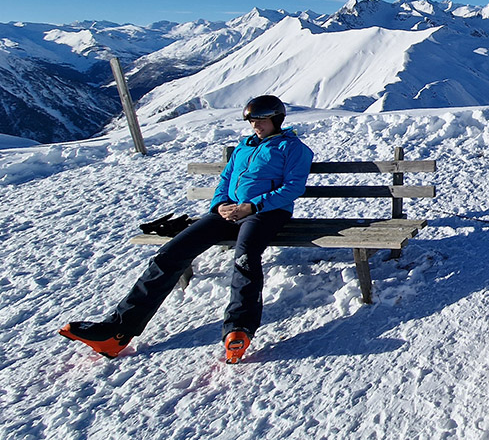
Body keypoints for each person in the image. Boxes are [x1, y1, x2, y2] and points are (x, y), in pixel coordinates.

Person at [59, 95, 314, 364]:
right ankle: (117, 331)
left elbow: (293, 187)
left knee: (245, 258)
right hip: (228, 212)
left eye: (261, 120)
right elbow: (225, 180)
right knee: (170, 253)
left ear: (276, 119)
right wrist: (220, 206)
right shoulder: (244, 147)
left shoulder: (292, 147)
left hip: (266, 214)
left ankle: (238, 329)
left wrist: (252, 206)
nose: (255, 125)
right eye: (252, 120)